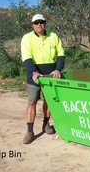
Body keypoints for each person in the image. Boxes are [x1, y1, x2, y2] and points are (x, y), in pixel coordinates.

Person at [21, 14, 65, 144]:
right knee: (32, 102)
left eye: (41, 22)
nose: (39, 25)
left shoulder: (54, 36)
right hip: (34, 75)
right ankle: (30, 131)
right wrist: (34, 71)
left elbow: (61, 54)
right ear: (32, 25)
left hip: (51, 75)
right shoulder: (27, 38)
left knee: (49, 101)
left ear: (45, 23)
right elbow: (26, 57)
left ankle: (46, 125)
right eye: (36, 23)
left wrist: (58, 69)